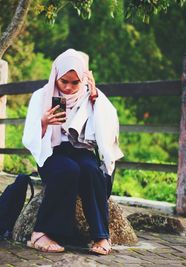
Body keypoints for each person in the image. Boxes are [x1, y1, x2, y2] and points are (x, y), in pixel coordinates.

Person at [22, 49, 123, 255]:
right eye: (63, 81)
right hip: (52, 151)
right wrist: (44, 123)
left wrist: (96, 100)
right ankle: (42, 233)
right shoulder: (41, 96)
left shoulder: (91, 96)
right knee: (68, 170)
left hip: (81, 150)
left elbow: (108, 130)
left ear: (83, 79)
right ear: (55, 76)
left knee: (91, 170)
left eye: (75, 82)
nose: (68, 88)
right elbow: (29, 138)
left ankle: (101, 236)